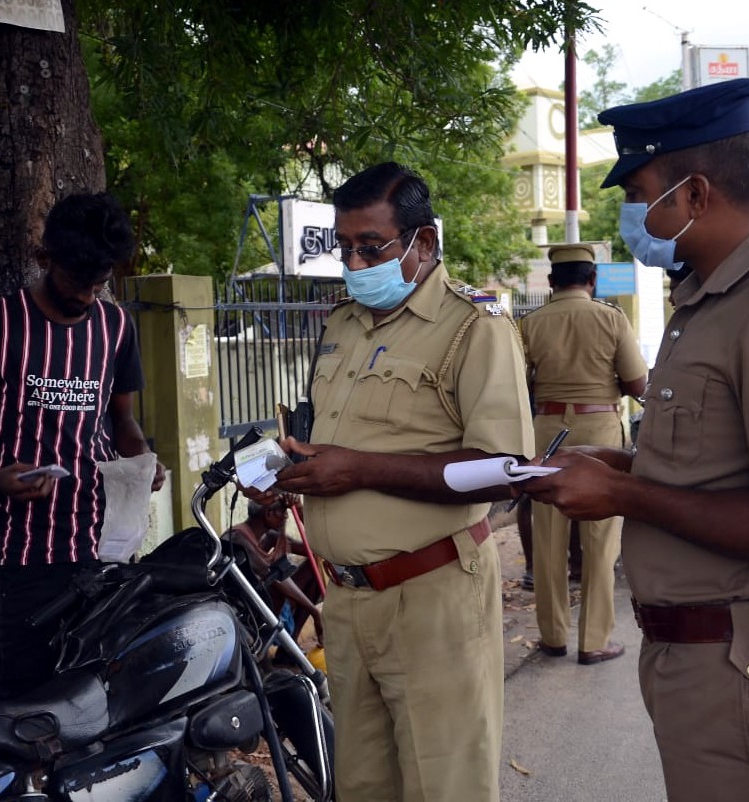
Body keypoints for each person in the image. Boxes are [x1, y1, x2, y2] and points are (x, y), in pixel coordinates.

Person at [520, 78, 749, 800]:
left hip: (745, 664)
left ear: (696, 194)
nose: (632, 212)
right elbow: (715, 471)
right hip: (701, 658)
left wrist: (625, 491)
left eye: (641, 191)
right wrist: (622, 463)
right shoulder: (707, 300)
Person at [273, 162, 533, 802]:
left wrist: (356, 469)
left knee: (445, 785)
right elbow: (339, 446)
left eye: (372, 248)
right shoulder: (343, 324)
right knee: (363, 786)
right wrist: (292, 473)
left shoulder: (475, 328)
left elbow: (502, 472)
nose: (356, 264)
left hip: (432, 596)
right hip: (348, 601)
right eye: (346, 249)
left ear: (422, 242)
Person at [0, 192, 165, 699]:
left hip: (107, 545)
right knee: (29, 691)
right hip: (30, 551)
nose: (88, 294)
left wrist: (142, 461)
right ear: (46, 259)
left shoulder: (116, 327)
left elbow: (123, 420)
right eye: (76, 280)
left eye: (99, 283)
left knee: (100, 688)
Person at [519, 243, 648, 664]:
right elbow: (636, 384)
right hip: (600, 430)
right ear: (592, 280)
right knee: (600, 537)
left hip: (547, 431)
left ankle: (553, 635)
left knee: (547, 534)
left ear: (552, 282)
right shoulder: (611, 319)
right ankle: (594, 640)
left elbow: (516, 387)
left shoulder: (530, 323)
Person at [225, 498, 323, 644]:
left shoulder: (269, 536)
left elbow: (317, 549)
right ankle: (264, 655)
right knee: (276, 584)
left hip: (272, 604)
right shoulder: (238, 537)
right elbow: (273, 575)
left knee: (312, 569)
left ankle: (290, 645)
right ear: (269, 513)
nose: (286, 517)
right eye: (283, 512)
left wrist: (299, 508)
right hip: (245, 608)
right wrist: (314, 612)